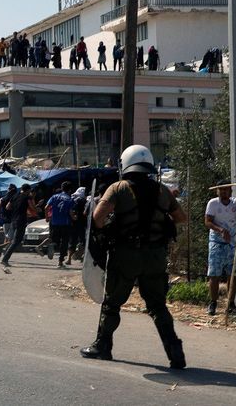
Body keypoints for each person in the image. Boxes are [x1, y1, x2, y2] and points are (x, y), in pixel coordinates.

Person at [80, 145, 187, 369]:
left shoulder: (118, 188)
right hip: (155, 257)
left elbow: (98, 219)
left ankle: (103, 346)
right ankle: (175, 352)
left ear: (125, 164)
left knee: (111, 304)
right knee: (158, 306)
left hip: (126, 255)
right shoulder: (162, 190)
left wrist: (112, 225)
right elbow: (180, 217)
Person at [204, 180, 236, 315]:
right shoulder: (213, 203)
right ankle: (213, 303)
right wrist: (220, 230)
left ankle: (230, 304)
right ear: (217, 191)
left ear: (230, 191)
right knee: (214, 275)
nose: (223, 192)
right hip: (216, 243)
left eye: (226, 189)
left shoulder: (235, 203)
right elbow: (207, 221)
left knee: (233, 275)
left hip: (231, 244)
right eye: (221, 189)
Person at [0, 184, 36, 267]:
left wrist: (17, 208)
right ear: (28, 190)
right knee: (16, 241)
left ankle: (4, 253)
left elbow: (7, 207)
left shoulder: (15, 196)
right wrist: (37, 208)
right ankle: (4, 259)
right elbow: (32, 208)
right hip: (21, 220)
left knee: (14, 240)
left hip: (13, 220)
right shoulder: (27, 197)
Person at [45, 182, 76, 268]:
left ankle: (53, 245)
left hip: (54, 222)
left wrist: (47, 217)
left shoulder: (54, 196)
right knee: (64, 242)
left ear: (62, 188)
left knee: (55, 239)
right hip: (65, 223)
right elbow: (70, 212)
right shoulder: (69, 199)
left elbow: (46, 207)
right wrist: (74, 218)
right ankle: (60, 262)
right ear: (70, 190)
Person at [0, 184, 17, 256]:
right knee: (12, 239)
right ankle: (0, 247)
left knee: (7, 237)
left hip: (4, 220)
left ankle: (5, 253)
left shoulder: (2, 199)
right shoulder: (14, 198)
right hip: (12, 220)